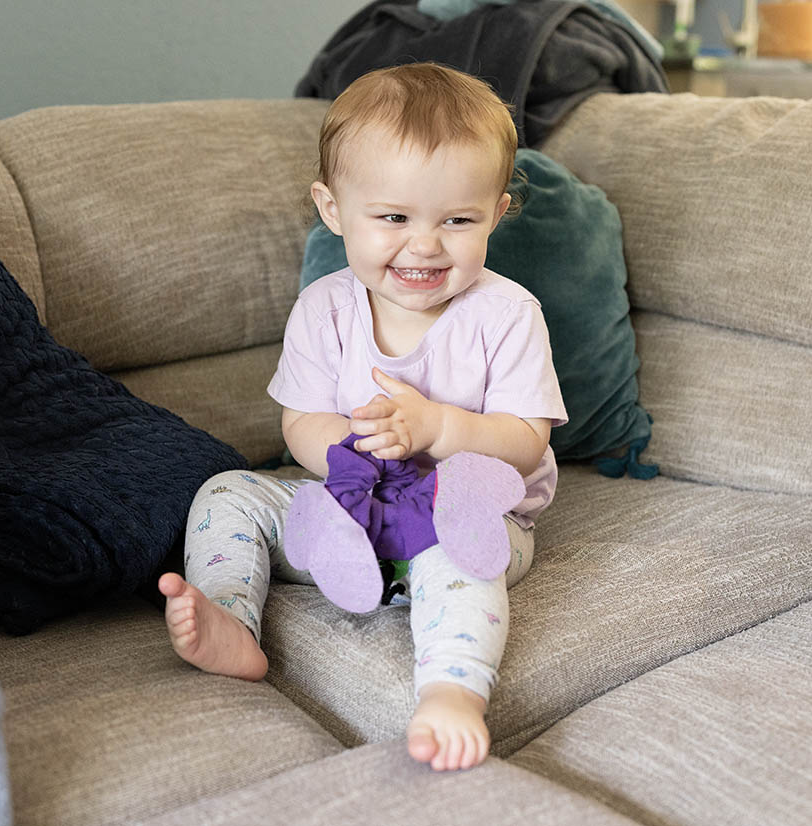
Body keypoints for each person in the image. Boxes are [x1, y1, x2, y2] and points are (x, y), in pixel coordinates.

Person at [158, 62, 566, 772]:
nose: (426, 244)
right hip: (351, 511)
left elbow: (526, 445)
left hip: (472, 513)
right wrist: (354, 453)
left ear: (496, 213)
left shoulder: (507, 317)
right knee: (226, 492)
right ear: (333, 209)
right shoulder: (325, 309)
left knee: (458, 541)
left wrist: (437, 429)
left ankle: (452, 688)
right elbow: (301, 423)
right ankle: (231, 618)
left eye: (458, 220)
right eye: (394, 218)